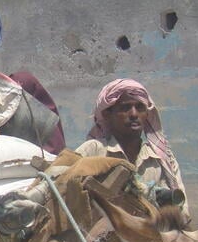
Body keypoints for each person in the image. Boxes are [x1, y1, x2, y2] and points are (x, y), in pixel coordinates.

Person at [75, 79, 190, 221]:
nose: (134, 114)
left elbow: (182, 214)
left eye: (140, 107)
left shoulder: (162, 160)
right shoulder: (94, 150)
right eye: (125, 108)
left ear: (147, 114)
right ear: (107, 115)